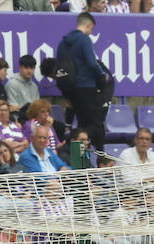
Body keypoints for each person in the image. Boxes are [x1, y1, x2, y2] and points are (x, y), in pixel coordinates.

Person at [55, 13, 112, 151]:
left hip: (70, 89)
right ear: (89, 25)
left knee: (82, 126)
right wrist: (102, 77)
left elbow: (59, 68)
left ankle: (79, 161)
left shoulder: (63, 43)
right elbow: (92, 63)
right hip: (86, 87)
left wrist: (66, 94)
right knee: (97, 127)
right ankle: (101, 161)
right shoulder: (84, 39)